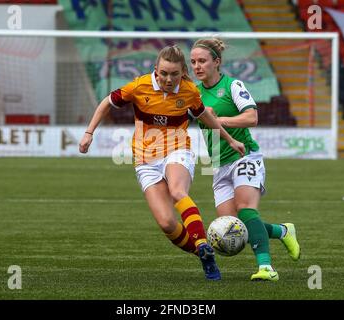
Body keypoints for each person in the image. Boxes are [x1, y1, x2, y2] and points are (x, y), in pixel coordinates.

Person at [79, 45, 246, 281]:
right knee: (167, 223)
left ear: (182, 72)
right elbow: (107, 102)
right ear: (155, 70)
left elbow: (205, 117)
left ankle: (201, 242)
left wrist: (229, 139)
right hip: (146, 160)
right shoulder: (139, 86)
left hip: (178, 149)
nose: (168, 79)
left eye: (174, 74)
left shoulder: (188, 91)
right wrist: (89, 132)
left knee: (178, 191)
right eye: (164, 73)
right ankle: (202, 253)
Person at [190, 38, 301, 281]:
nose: (197, 66)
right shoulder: (194, 94)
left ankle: (266, 268)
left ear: (216, 62)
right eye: (193, 62)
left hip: (244, 155)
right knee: (231, 227)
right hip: (219, 164)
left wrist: (217, 120)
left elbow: (251, 117)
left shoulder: (232, 85)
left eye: (202, 61)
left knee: (246, 210)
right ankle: (282, 231)